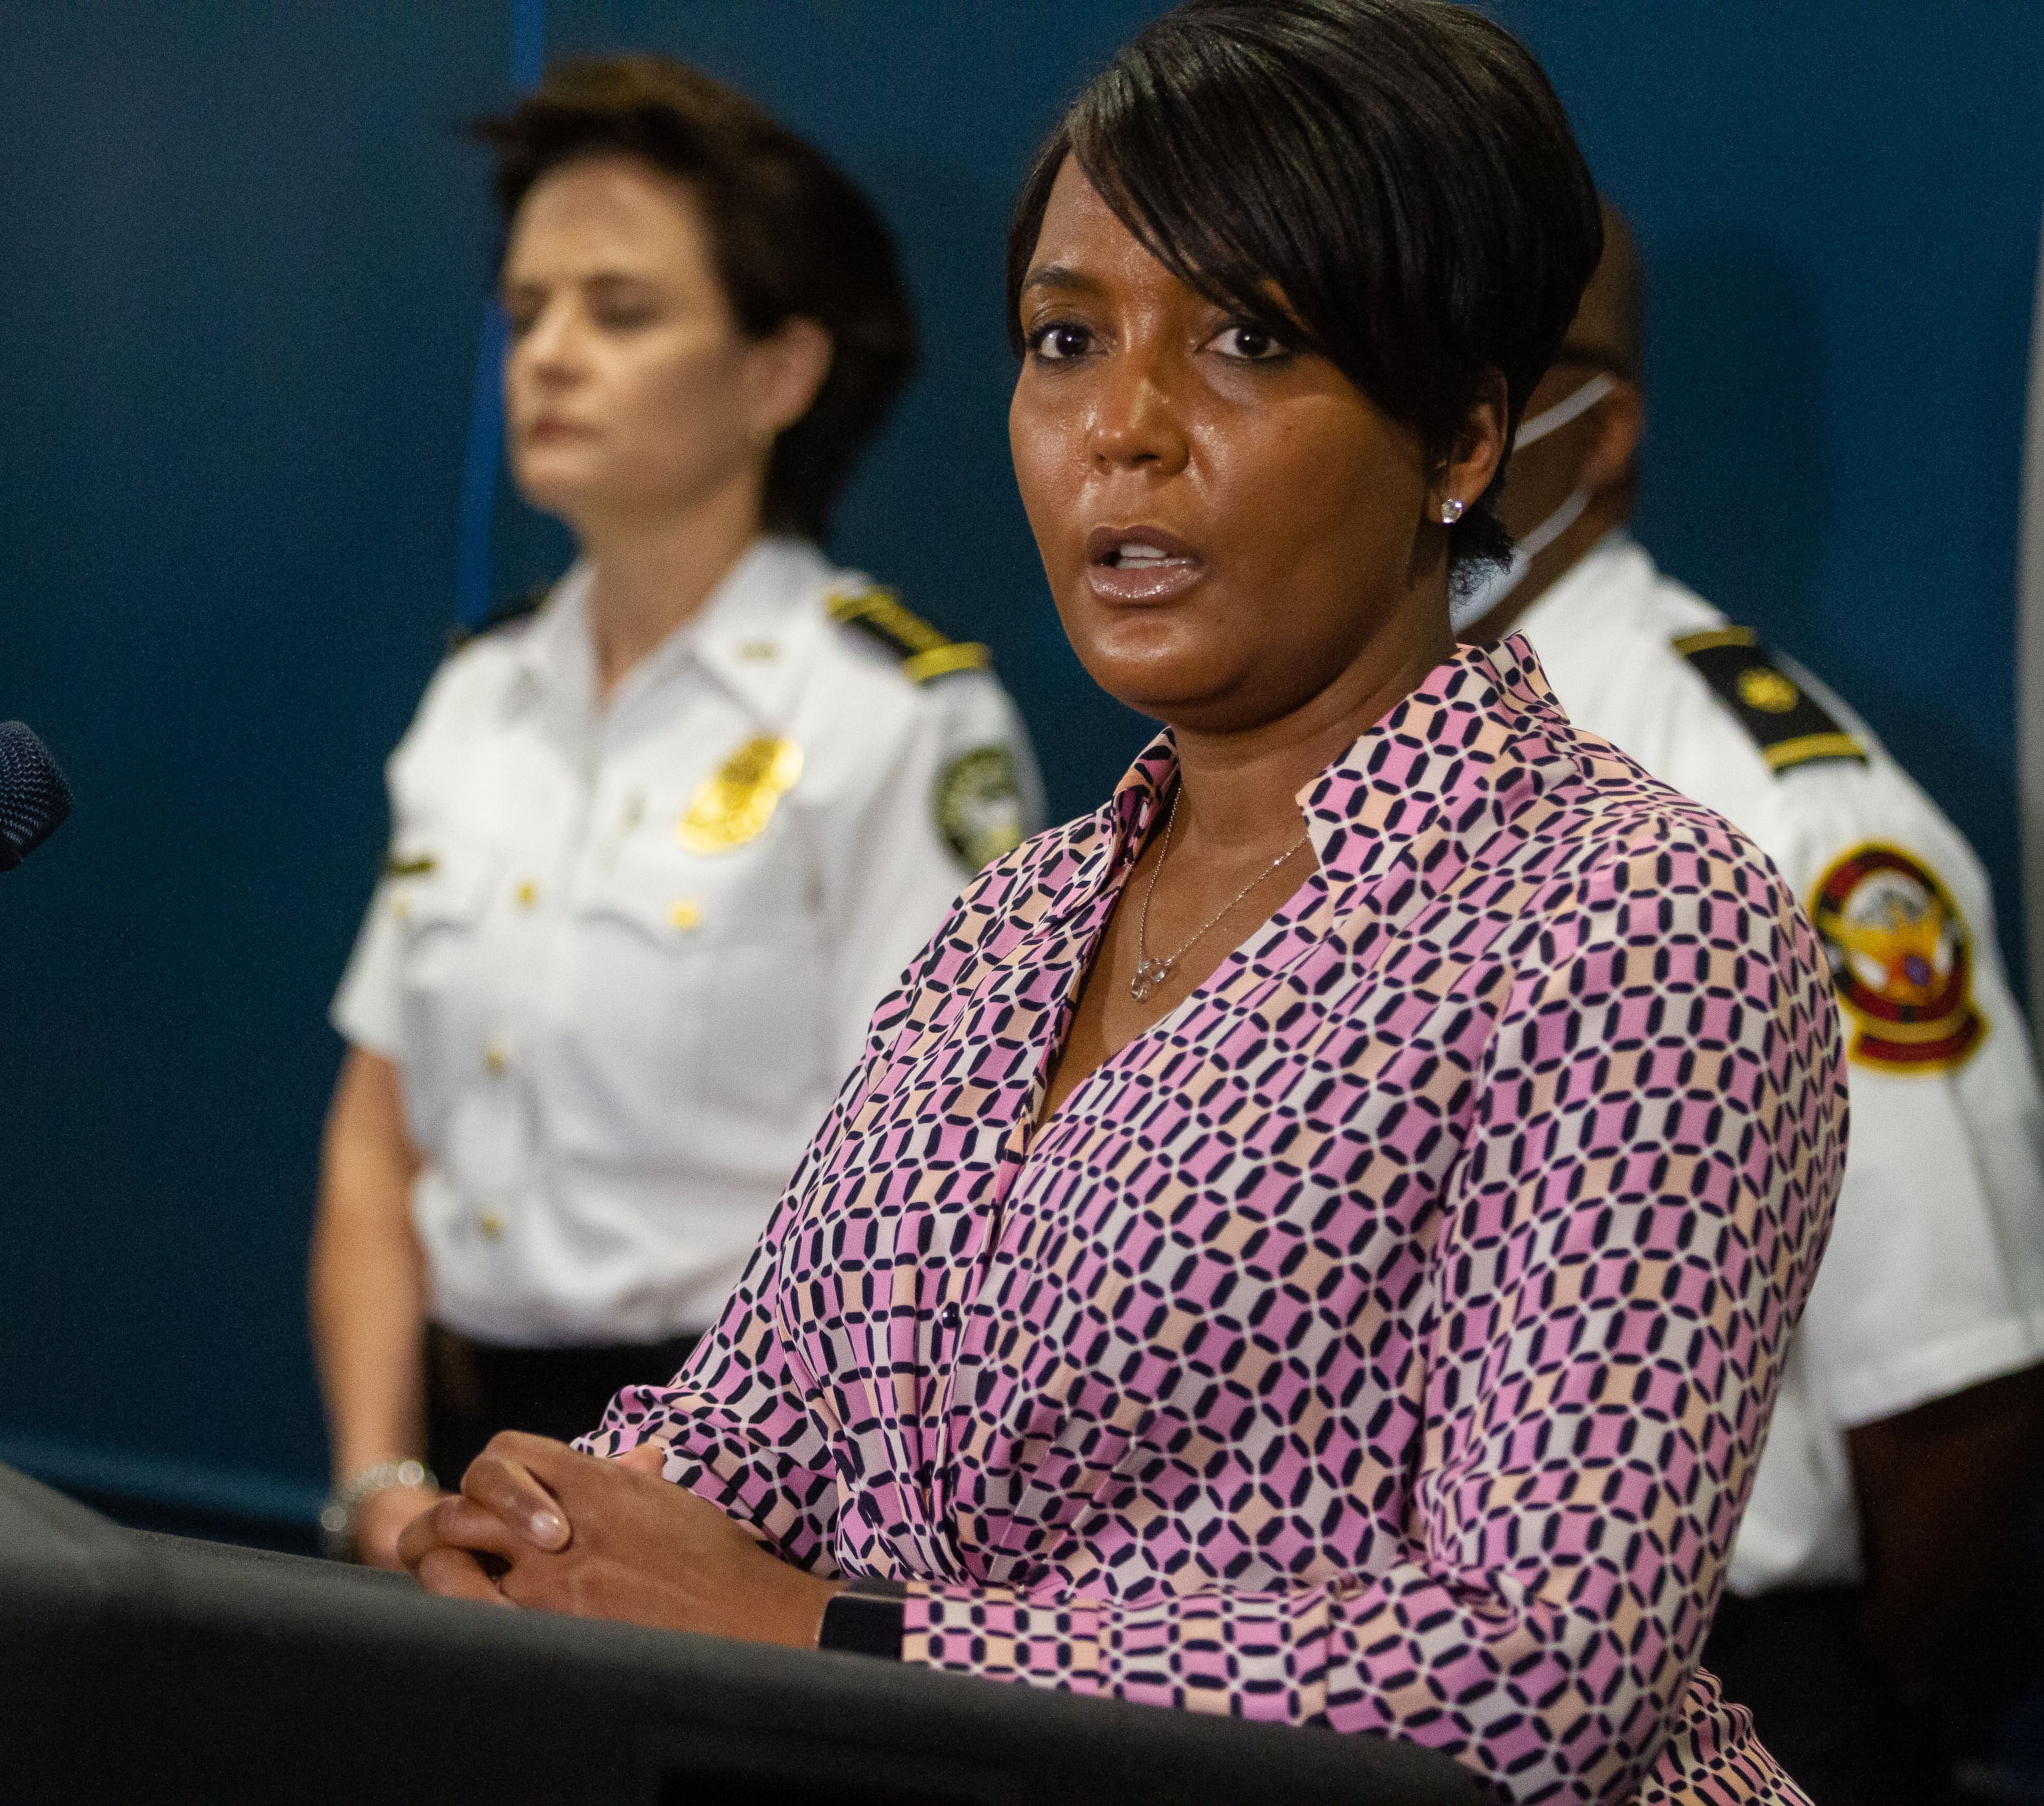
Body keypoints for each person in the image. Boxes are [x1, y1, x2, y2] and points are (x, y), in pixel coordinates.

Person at [399, 6, 1846, 1799]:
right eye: (1067, 340)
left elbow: (1531, 1678)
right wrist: (516, 1537)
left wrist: (830, 1634)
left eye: (1249, 338)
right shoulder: (1012, 926)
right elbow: (752, 1422)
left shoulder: (1636, 920)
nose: (1127, 431)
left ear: (1462, 435)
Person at [308, 55, 1044, 1569]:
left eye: (620, 312)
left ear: (780, 371)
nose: (551, 357)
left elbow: (928, 1210)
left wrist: (666, 1512)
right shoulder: (479, 693)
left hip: (746, 1492)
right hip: (451, 1467)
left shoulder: (895, 718)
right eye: (527, 315)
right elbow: (376, 1140)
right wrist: (380, 1482)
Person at [1459, 205, 2044, 1802]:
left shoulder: (1792, 819)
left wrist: (1821, 1709)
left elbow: (1954, 1396)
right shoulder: (1272, 776)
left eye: (1459, 377)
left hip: (1712, 1702)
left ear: (1599, 427)